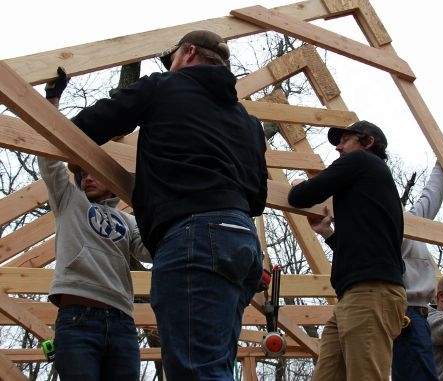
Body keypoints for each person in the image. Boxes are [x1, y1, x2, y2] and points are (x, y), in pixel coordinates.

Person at [69, 30, 268, 380]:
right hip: (243, 243)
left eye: (171, 58)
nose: (170, 65)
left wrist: (73, 155)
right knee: (215, 365)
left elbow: (88, 126)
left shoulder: (163, 86)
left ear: (188, 52)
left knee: (196, 371)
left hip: (195, 238)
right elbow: (257, 197)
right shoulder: (247, 122)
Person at [38, 67, 152, 380]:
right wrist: (52, 99)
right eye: (83, 171)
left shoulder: (126, 221)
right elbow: (49, 155)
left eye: (95, 170)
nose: (87, 175)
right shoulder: (68, 201)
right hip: (77, 318)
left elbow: (153, 250)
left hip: (122, 322)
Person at [288, 120, 407, 381]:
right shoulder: (368, 184)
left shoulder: (362, 161)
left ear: (367, 142)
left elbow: (301, 197)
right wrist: (328, 233)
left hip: (370, 294)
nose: (339, 147)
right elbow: (361, 243)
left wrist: (298, 185)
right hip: (354, 296)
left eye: (345, 140)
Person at [393, 143, 443, 381]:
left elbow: (432, 196)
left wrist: (442, 164)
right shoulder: (387, 226)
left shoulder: (410, 221)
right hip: (406, 313)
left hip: (419, 314)